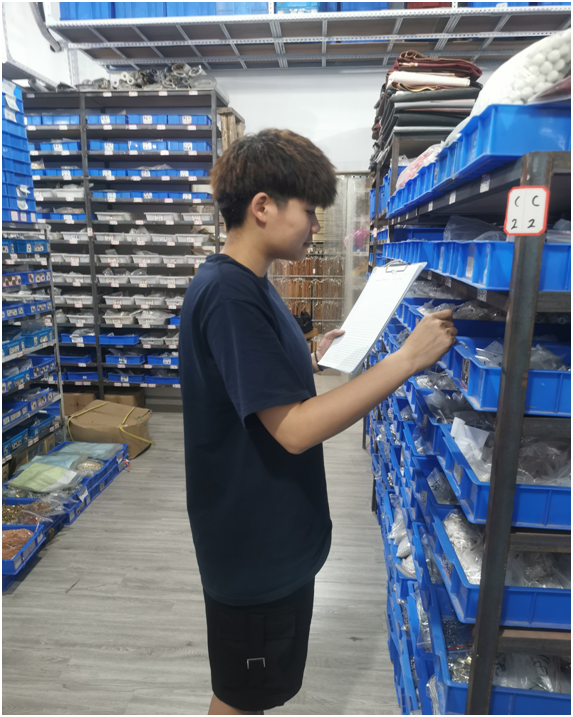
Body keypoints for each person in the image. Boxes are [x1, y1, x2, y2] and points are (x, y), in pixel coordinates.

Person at [179, 129, 456, 716]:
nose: (314, 225)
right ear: (262, 207)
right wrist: (407, 360)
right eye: (308, 211)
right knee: (241, 696)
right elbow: (295, 430)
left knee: (252, 688)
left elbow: (247, 378)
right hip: (252, 544)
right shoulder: (230, 293)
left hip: (271, 531)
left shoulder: (249, 282)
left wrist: (306, 354)